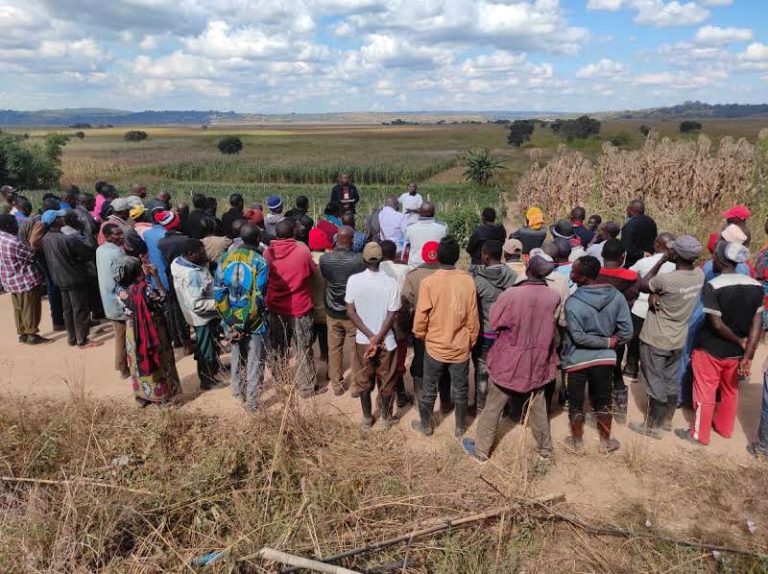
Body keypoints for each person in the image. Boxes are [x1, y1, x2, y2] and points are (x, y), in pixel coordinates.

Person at [462, 253, 560, 463]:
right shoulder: (552, 296)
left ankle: (481, 451)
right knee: (538, 405)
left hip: (510, 359)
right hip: (539, 359)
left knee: (493, 406)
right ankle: (545, 449)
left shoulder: (511, 295)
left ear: (528, 269)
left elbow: (495, 321)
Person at [676, 242, 762, 446]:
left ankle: (699, 434)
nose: (712, 259)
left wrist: (738, 340)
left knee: (705, 390)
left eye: (715, 256)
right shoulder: (756, 287)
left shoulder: (713, 286)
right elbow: (757, 323)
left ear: (722, 259)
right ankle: (724, 429)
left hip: (710, 349)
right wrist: (747, 352)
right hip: (737, 354)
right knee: (730, 391)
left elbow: (716, 323)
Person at [630, 235, 704, 438]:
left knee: (654, 379)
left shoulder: (666, 279)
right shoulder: (698, 275)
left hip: (656, 338)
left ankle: (653, 426)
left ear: (676, 254)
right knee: (671, 379)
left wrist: (661, 260)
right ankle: (668, 421)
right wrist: (658, 294)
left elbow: (643, 285)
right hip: (679, 337)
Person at [561, 256, 633, 453]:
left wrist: (604, 342)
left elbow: (578, 337)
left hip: (576, 360)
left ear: (582, 278)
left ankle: (577, 443)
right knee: (603, 401)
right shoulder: (616, 296)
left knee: (575, 403)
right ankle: (605, 443)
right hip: (605, 359)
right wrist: (610, 343)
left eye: (574, 272)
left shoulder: (572, 303)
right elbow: (627, 332)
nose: (571, 274)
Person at [412, 236, 479, 438]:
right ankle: (460, 428)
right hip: (460, 347)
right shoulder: (468, 280)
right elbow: (472, 317)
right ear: (457, 257)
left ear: (438, 257)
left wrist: (421, 335)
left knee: (429, 387)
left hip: (435, 346)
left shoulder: (429, 282)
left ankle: (426, 425)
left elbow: (421, 316)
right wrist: (470, 340)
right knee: (461, 388)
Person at [345, 242, 401, 427]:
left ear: (363, 259)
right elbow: (392, 313)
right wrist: (378, 338)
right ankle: (385, 419)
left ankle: (368, 418)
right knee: (387, 380)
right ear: (382, 259)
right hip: (387, 342)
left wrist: (370, 337)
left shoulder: (353, 280)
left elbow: (351, 311)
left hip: (363, 341)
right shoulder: (391, 283)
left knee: (363, 380)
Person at [215, 224, 269, 411]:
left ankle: (237, 392)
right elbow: (258, 298)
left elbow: (219, 294)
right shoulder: (260, 262)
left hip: (230, 320)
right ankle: (252, 404)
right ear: (256, 240)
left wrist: (232, 322)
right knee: (254, 362)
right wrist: (244, 324)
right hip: (253, 323)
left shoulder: (224, 259)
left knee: (237, 356)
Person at [265, 219, 320, 397]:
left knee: (278, 346)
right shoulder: (302, 250)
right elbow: (311, 272)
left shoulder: (267, 253)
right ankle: (307, 387)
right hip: (299, 306)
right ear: (293, 233)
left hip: (275, 306)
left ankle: (280, 378)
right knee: (303, 347)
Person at [115, 257, 181, 406]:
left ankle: (142, 396)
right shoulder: (147, 289)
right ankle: (161, 397)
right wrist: (154, 276)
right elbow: (163, 297)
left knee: (137, 361)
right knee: (157, 359)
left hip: (132, 329)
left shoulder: (119, 289)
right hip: (151, 328)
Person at [41, 210, 101, 348]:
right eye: (60, 217)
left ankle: (72, 338)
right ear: (56, 221)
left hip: (59, 278)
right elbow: (87, 253)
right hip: (74, 277)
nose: (63, 218)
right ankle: (82, 340)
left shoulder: (46, 238)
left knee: (68, 310)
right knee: (80, 309)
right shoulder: (67, 239)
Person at [597, 239, 641, 424]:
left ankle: (599, 410)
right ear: (623, 257)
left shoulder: (593, 274)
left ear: (602, 255)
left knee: (597, 370)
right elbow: (637, 293)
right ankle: (620, 410)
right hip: (620, 330)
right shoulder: (632, 277)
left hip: (597, 329)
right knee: (615, 369)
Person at [471, 239, 517, 412]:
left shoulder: (478, 282)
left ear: (486, 257)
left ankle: (481, 407)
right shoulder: (513, 277)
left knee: (482, 372)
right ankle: (503, 408)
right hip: (507, 335)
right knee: (503, 372)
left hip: (486, 335)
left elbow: (473, 310)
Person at [319, 226, 366, 396]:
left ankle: (337, 385)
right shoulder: (359, 260)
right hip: (353, 313)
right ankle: (355, 386)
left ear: (336, 239)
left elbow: (327, 277)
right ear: (352, 240)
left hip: (332, 310)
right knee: (356, 349)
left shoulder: (325, 259)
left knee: (334, 349)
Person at [171, 239, 222, 390]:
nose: (205, 255)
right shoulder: (192, 275)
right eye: (201, 253)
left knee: (208, 345)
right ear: (190, 255)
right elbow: (197, 303)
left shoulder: (179, 263)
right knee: (206, 349)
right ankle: (207, 380)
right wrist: (220, 304)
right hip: (203, 317)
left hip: (198, 315)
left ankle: (213, 370)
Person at [624, 233, 676, 378]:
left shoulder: (643, 262)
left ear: (656, 245)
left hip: (640, 307)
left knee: (635, 340)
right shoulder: (676, 266)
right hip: (663, 309)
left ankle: (631, 369)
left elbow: (629, 276)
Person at [401, 241, 446, 403]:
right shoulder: (448, 274)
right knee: (443, 361)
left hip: (421, 327)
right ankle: (444, 400)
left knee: (419, 359)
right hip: (443, 327)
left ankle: (419, 398)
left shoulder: (413, 275)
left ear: (422, 255)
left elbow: (406, 304)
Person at [0, 214, 47, 345]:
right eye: (14, 223)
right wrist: (34, 245)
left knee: (19, 308)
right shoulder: (13, 242)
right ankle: (32, 334)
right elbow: (30, 254)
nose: (17, 225)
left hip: (9, 279)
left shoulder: (2, 238)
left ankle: (22, 333)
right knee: (30, 307)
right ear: (8, 226)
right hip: (24, 278)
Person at [380, 239, 414, 408]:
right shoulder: (405, 269)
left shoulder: (374, 269)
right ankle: (400, 395)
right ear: (395, 254)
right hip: (399, 318)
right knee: (399, 355)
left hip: (379, 318)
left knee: (383, 356)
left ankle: (387, 395)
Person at [96, 224, 131, 378]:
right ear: (109, 236)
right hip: (119, 300)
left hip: (108, 298)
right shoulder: (117, 253)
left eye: (121, 233)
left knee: (120, 334)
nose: (121, 236)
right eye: (117, 234)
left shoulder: (100, 249)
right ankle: (123, 368)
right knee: (122, 336)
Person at [157, 214, 191, 349]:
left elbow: (162, 262)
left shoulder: (161, 243)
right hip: (186, 275)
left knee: (177, 308)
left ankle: (183, 341)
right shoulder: (185, 240)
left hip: (171, 276)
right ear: (177, 224)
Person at [404, 202, 447, 268]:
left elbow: (406, 242)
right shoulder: (443, 227)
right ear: (433, 213)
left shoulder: (410, 228)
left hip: (415, 266)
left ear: (419, 213)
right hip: (435, 266)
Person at [621, 199, 658, 268]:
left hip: (632, 263)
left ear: (632, 211)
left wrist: (642, 254)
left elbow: (626, 247)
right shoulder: (651, 222)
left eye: (627, 209)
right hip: (649, 261)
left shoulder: (629, 225)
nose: (626, 211)